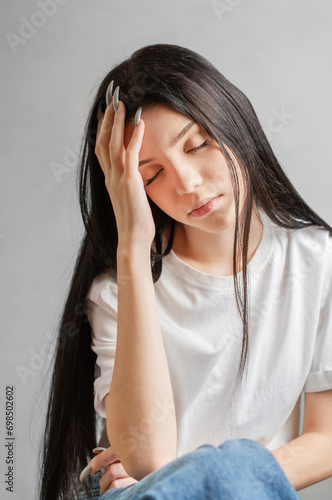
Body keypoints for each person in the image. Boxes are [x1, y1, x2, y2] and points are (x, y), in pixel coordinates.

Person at [38, 43, 332, 500]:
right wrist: (133, 250)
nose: (188, 183)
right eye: (151, 176)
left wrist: (214, 478)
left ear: (234, 122)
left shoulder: (317, 261)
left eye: (198, 145)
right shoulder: (117, 291)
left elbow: (328, 439)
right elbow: (146, 460)